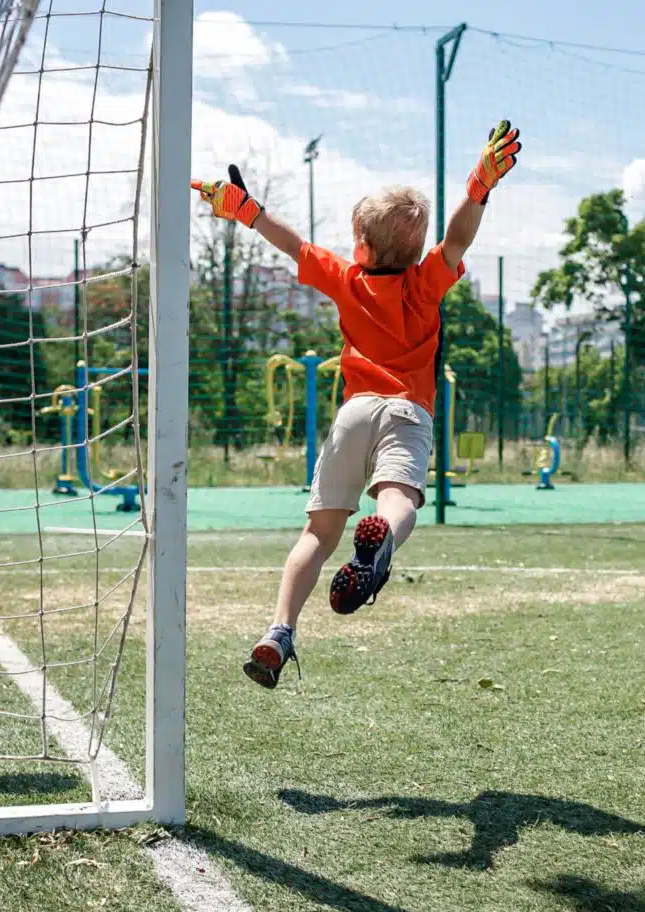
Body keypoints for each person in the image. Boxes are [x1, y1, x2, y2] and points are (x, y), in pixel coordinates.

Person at [192, 121, 521, 689]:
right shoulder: (425, 283)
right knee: (400, 499)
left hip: (354, 413)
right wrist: (477, 187)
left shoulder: (348, 280)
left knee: (318, 535)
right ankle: (383, 538)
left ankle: (279, 632)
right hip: (406, 412)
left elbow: (292, 244)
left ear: (363, 247)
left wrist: (244, 210)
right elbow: (459, 240)